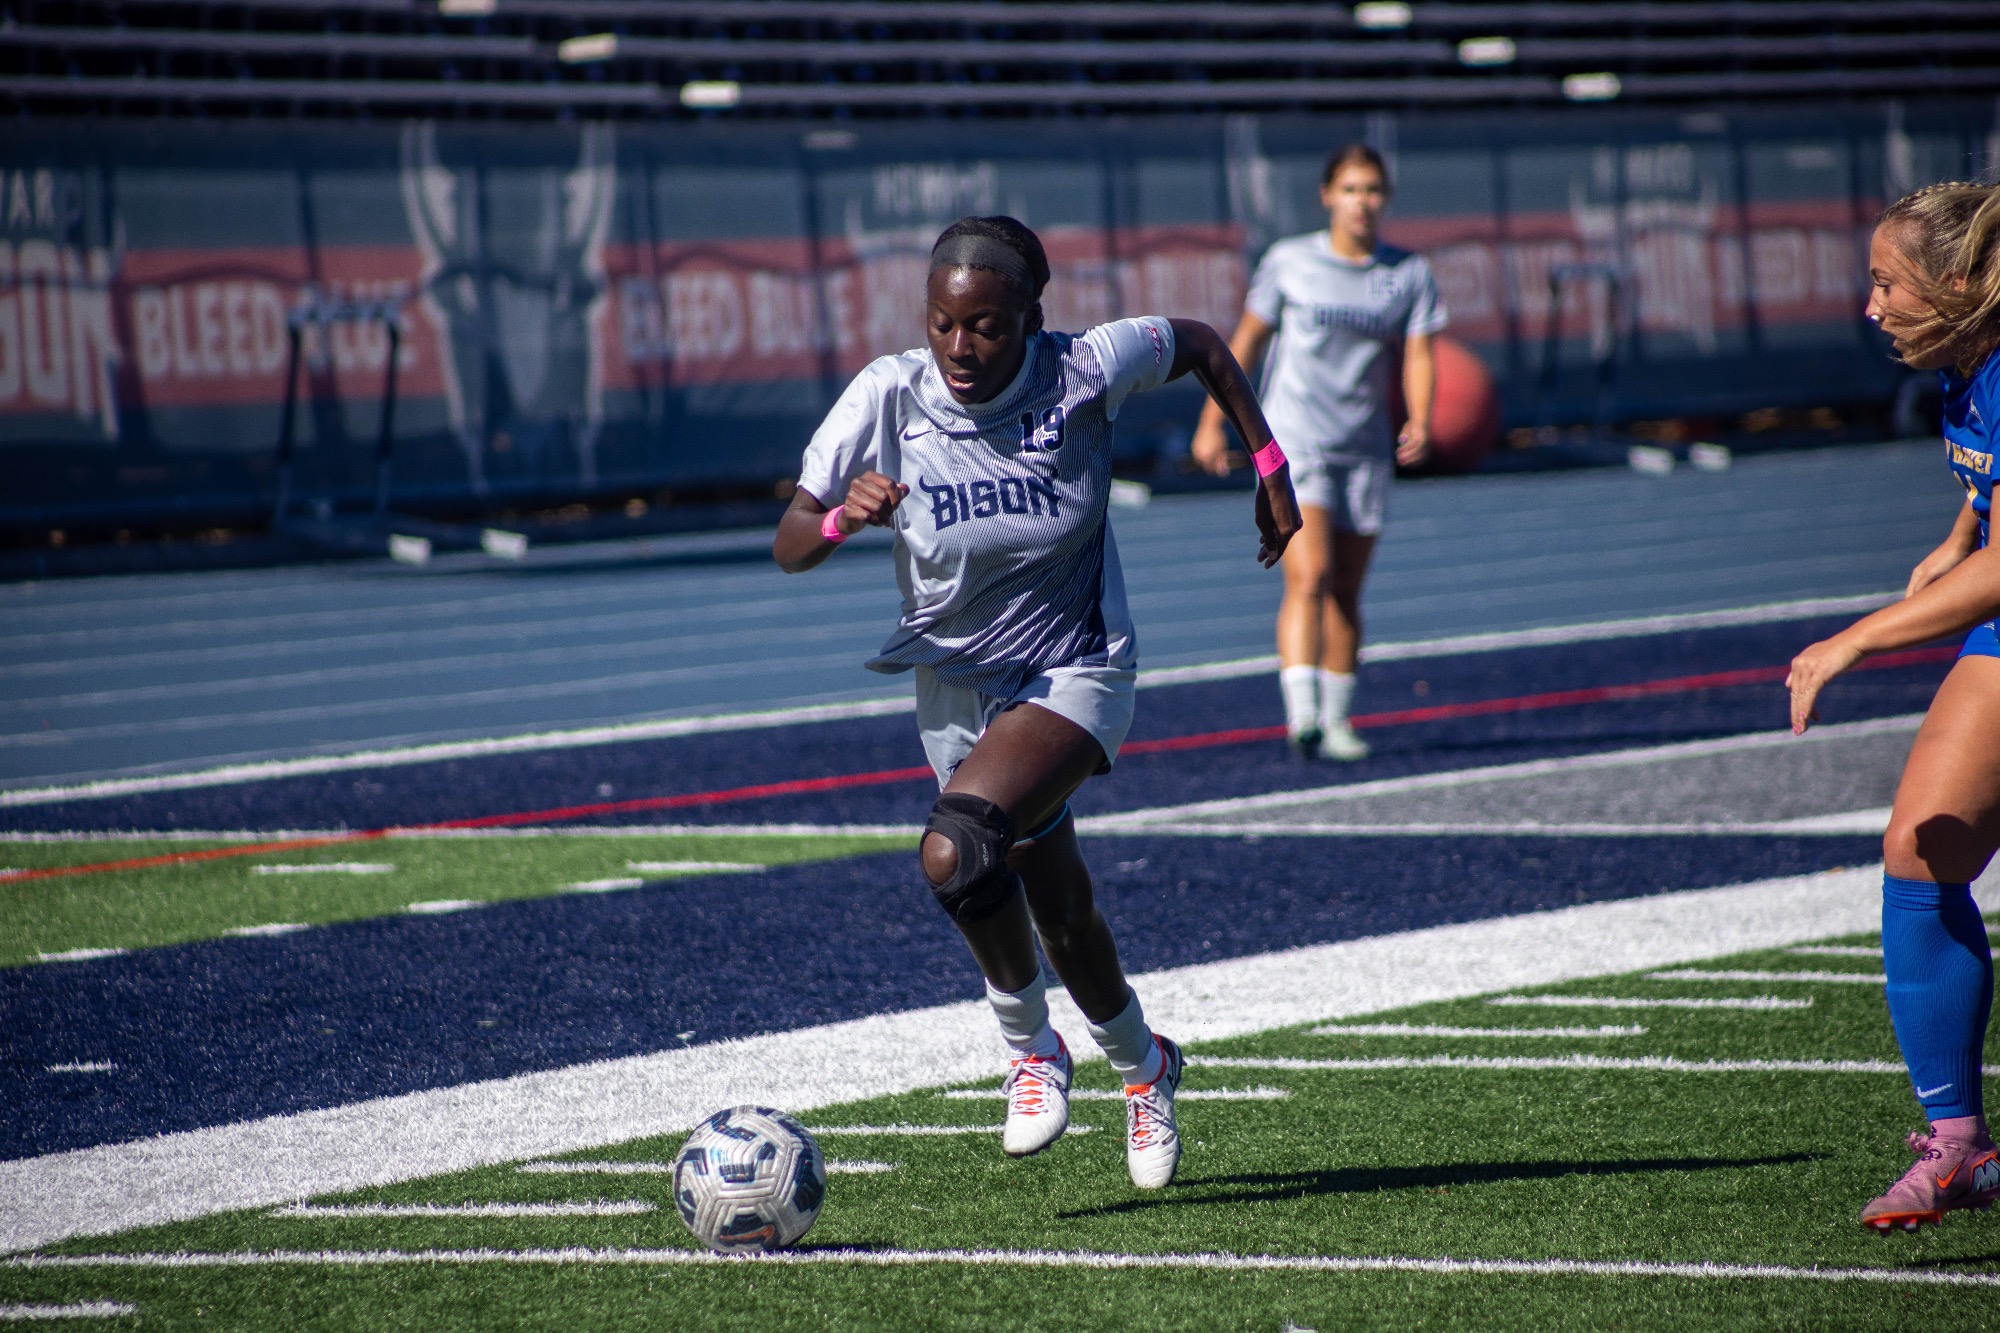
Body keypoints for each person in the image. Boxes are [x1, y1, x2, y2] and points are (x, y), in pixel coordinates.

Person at [773, 215, 1300, 1190]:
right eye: (942, 323)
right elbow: (790, 539)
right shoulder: (888, 395)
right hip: (956, 686)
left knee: (954, 848)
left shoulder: (1084, 370)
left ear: (1031, 318)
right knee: (1056, 906)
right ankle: (1145, 1066)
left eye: (984, 325)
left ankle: (1030, 1050)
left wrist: (1269, 468)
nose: (959, 346)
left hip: (1078, 668)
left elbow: (1201, 344)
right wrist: (845, 514)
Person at [1787, 180, 2000, 1233]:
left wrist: (1855, 638)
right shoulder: (1967, 364)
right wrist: (1959, 535)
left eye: (1887, 284)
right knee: (1920, 850)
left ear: (1957, 283)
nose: (1870, 307)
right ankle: (1959, 1147)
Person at [1192, 143, 1447, 760]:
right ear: (1328, 195)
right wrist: (1211, 424)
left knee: (1347, 590)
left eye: (1373, 190)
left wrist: (1420, 417)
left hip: (1364, 448)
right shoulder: (1290, 262)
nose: (1363, 202)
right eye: (1351, 189)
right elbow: (1243, 345)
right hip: (1296, 441)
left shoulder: (1408, 274)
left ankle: (1337, 721)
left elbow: (1418, 353)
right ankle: (1302, 714)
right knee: (1310, 576)